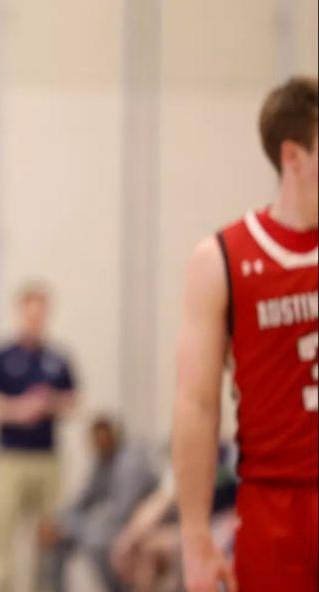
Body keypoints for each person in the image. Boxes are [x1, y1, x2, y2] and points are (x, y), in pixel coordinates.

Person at [172, 75, 318, 592]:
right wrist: (194, 538)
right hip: (275, 505)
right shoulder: (222, 259)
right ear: (294, 157)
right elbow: (196, 404)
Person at [0, 282, 78, 592]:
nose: (36, 320)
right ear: (20, 313)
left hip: (47, 459)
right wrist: (16, 409)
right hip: (10, 459)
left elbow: (73, 401)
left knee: (48, 541)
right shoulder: (1, 357)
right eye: (30, 314)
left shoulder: (58, 359)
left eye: (41, 314)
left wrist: (50, 404)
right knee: (1, 539)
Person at [37, 415, 157, 592]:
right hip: (107, 524)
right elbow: (84, 499)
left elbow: (122, 513)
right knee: (54, 534)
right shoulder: (102, 461)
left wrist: (75, 526)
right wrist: (58, 520)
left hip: (136, 524)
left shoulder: (130, 463)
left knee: (96, 541)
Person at [110, 443, 239, 592]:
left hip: (230, 527)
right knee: (147, 548)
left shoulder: (230, 457)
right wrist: (130, 536)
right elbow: (162, 498)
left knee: (164, 549)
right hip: (205, 527)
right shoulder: (191, 459)